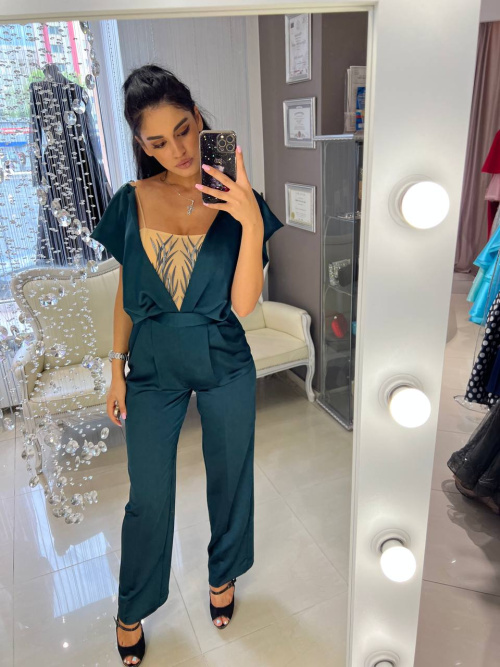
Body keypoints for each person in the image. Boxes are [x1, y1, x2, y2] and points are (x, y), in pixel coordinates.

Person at [89, 64, 284, 666]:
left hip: (223, 354)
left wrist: (248, 219)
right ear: (141, 145)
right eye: (158, 141)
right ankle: (132, 605)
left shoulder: (239, 200)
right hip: (151, 364)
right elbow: (127, 293)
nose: (177, 150)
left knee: (231, 475)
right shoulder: (130, 201)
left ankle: (223, 575)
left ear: (199, 119)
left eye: (183, 130)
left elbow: (244, 304)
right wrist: (116, 368)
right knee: (148, 495)